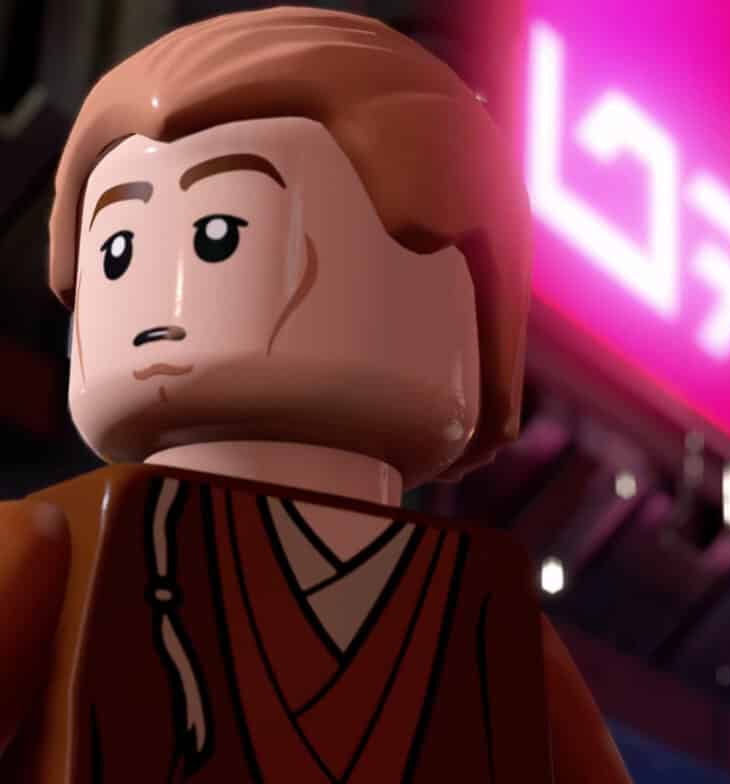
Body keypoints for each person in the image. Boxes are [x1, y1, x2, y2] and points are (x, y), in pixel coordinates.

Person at [0, 8, 630, 783]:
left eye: (220, 233)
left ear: (467, 288)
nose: (154, 297)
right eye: (118, 248)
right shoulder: (45, 549)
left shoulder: (483, 612)